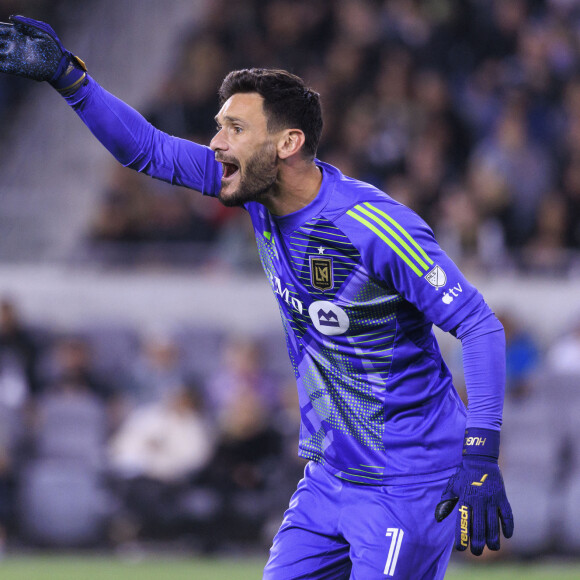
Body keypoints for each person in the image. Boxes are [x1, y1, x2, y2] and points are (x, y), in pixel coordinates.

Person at [0, 16, 513, 579]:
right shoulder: (252, 194)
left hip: (405, 482)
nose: (216, 143)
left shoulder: (371, 226)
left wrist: (481, 454)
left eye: (235, 129)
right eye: (219, 128)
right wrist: (70, 80)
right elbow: (145, 149)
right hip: (327, 478)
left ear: (287, 143)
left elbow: (479, 325)